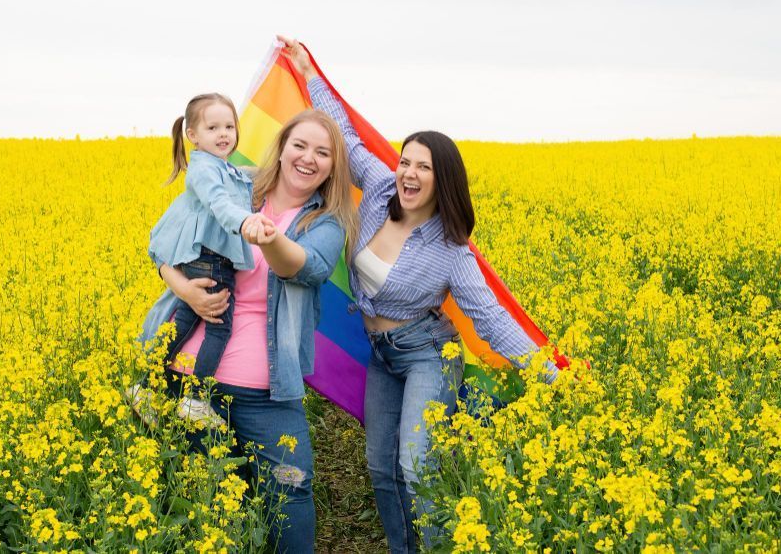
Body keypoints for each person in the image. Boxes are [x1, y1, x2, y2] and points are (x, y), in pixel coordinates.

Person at [280, 37, 557, 553]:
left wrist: (551, 375)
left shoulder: (453, 250)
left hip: (427, 353)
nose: (407, 173)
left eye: (422, 167)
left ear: (441, 180)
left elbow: (491, 319)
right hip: (382, 356)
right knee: (380, 469)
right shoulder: (382, 187)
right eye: (406, 161)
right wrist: (306, 71)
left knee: (416, 467)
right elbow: (345, 136)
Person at [141, 109, 358, 554]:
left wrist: (267, 235)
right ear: (281, 149)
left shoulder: (328, 222)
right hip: (191, 378)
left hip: (267, 389)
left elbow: (304, 267)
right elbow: (163, 243)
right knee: (198, 500)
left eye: (323, 152)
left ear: (333, 166)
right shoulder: (230, 185)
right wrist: (186, 289)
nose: (308, 158)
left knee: (291, 488)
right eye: (300, 145)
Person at [130, 92, 268, 426]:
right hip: (213, 261)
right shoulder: (205, 172)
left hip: (201, 260)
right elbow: (220, 203)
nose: (224, 134)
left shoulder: (217, 166)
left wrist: (275, 167)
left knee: (184, 323)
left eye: (229, 127)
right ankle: (196, 400)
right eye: (213, 127)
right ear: (193, 135)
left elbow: (242, 177)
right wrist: (244, 221)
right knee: (219, 330)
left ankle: (147, 385)